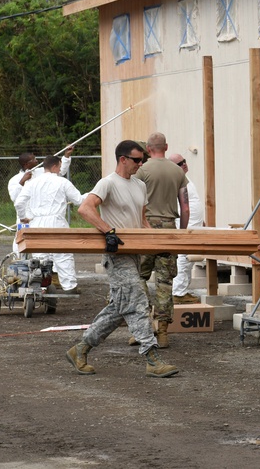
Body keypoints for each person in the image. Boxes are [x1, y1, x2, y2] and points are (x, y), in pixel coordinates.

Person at [65, 140, 178, 378]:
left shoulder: (139, 185)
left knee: (118, 309)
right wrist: (108, 232)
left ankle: (81, 349)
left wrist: (159, 246)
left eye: (143, 160)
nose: (140, 164)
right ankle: (151, 357)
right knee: (138, 299)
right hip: (117, 256)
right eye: (137, 160)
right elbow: (85, 209)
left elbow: (142, 222)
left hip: (135, 254)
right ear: (123, 159)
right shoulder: (108, 183)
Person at [135, 132, 189, 348]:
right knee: (165, 281)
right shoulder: (178, 171)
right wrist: (182, 233)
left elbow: (134, 201)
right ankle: (164, 331)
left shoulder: (141, 170)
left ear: (148, 149)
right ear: (166, 147)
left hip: (145, 227)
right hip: (169, 229)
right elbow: (185, 206)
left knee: (140, 278)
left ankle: (141, 328)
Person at [14, 155, 83, 293]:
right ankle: (69, 286)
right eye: (59, 166)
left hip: (37, 223)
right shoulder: (62, 182)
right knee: (63, 253)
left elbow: (19, 202)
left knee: (40, 255)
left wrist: (23, 218)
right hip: (56, 222)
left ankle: (40, 285)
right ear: (55, 166)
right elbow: (79, 200)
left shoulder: (32, 182)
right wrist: (94, 196)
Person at [8, 147, 73, 255]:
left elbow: (59, 171)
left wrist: (66, 156)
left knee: (42, 245)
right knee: (21, 243)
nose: (37, 161)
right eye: (33, 160)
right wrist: (22, 181)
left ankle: (46, 267)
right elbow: (15, 198)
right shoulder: (14, 180)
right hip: (25, 218)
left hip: (41, 217)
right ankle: (19, 264)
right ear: (26, 164)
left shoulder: (41, 172)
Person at [168, 153, 203, 304]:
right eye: (179, 163)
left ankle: (182, 291)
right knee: (184, 256)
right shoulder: (175, 181)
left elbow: (193, 203)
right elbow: (184, 207)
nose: (184, 164)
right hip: (186, 224)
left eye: (184, 161)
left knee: (188, 257)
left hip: (193, 224)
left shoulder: (185, 179)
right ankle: (179, 292)